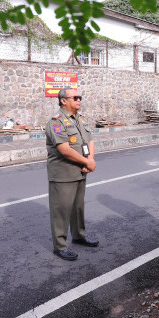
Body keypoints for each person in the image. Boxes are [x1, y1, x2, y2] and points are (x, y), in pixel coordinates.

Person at [45, 87, 98, 261]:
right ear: (63, 101)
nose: (79, 100)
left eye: (79, 97)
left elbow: (89, 140)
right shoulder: (56, 122)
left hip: (81, 171)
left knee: (78, 207)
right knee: (61, 210)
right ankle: (60, 246)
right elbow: (64, 150)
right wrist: (87, 162)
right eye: (75, 97)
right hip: (63, 173)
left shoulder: (80, 120)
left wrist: (89, 160)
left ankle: (79, 235)